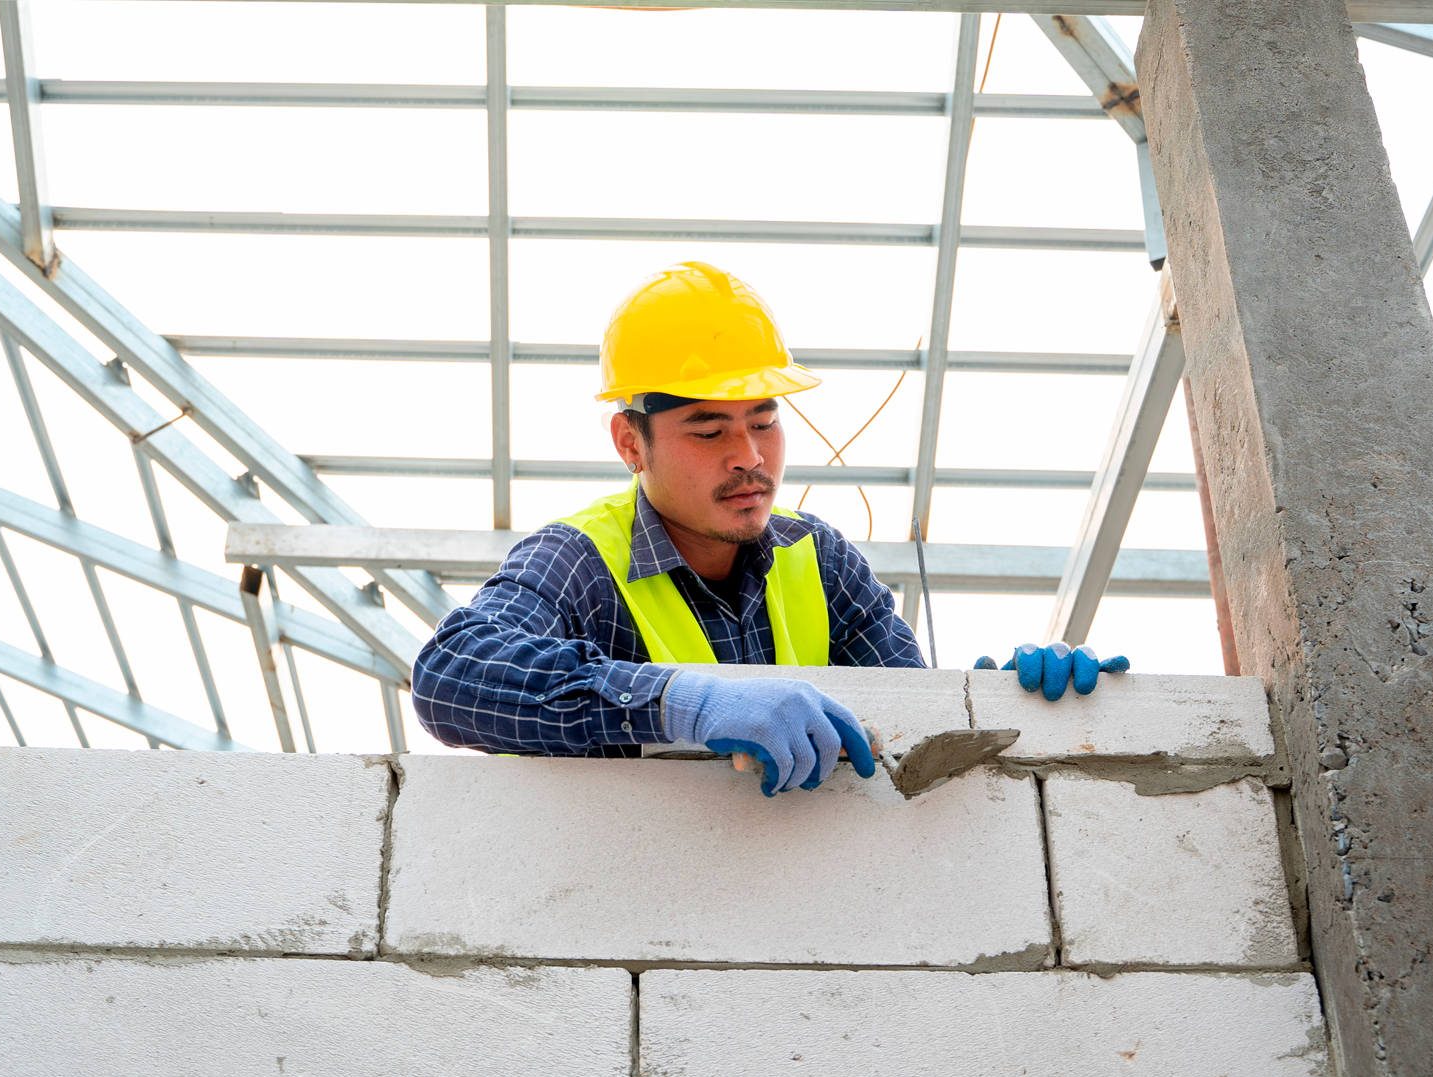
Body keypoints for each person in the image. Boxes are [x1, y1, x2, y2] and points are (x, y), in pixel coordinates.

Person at [411, 262, 1122, 795]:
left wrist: (1006, 701)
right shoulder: (580, 561)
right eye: (709, 429)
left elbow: (914, 726)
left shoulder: (820, 560)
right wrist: (684, 702)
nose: (749, 458)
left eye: (764, 421)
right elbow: (448, 677)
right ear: (632, 443)